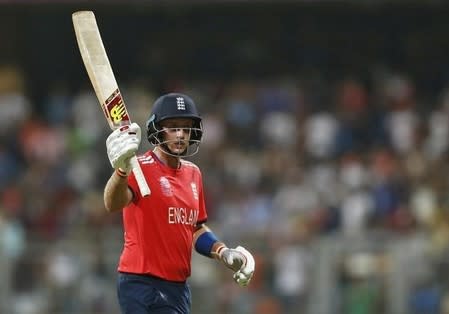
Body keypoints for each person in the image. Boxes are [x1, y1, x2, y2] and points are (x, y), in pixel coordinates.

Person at [104, 92, 255, 314]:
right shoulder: (139, 167)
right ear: (157, 129)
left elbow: (195, 228)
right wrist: (120, 171)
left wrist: (222, 252)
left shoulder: (194, 174)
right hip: (139, 281)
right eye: (173, 127)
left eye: (185, 128)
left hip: (177, 287)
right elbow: (112, 203)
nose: (180, 134)